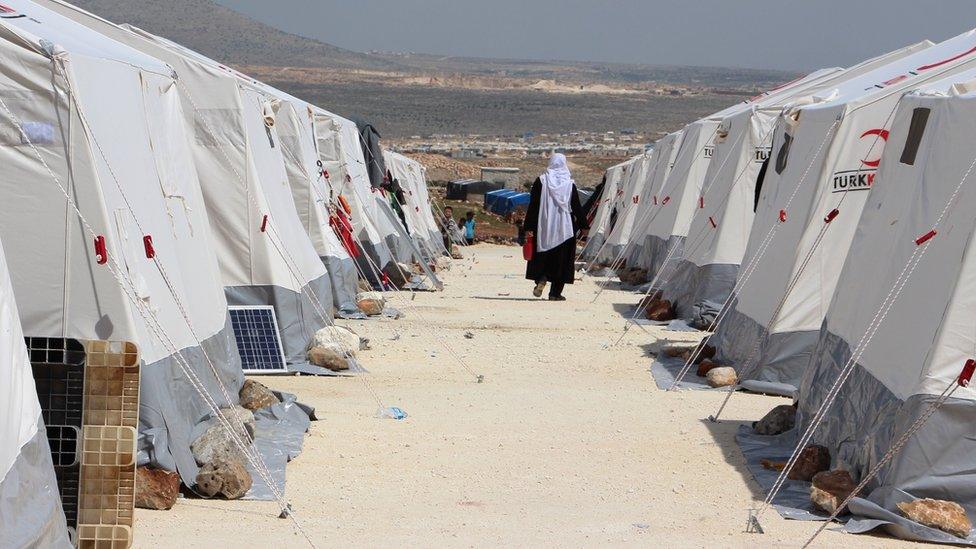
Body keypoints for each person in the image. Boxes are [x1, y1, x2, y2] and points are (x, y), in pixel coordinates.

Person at [524, 153, 588, 301]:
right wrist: (584, 225)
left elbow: (533, 206)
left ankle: (541, 277)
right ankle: (555, 293)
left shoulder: (541, 181)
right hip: (564, 228)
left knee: (542, 255)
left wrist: (528, 227)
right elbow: (577, 207)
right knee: (562, 260)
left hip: (544, 226)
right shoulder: (569, 184)